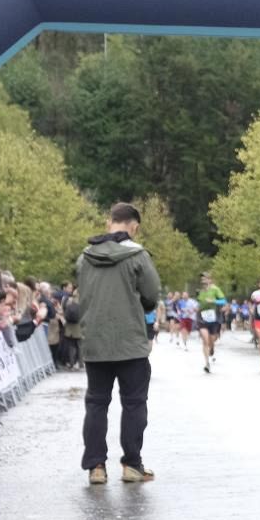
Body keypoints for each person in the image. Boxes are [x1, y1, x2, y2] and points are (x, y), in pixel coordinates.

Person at [77, 202, 162, 485]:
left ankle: (96, 467)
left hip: (95, 342)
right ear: (134, 226)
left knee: (96, 403)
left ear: (108, 222)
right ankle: (131, 465)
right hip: (130, 342)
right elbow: (151, 295)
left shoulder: (84, 257)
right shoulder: (138, 255)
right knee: (134, 403)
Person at [196, 273, 227, 374]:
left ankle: (212, 347)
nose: (203, 281)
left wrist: (214, 301)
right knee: (205, 340)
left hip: (214, 319)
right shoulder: (200, 292)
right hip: (202, 318)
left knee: (211, 340)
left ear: (210, 280)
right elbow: (199, 304)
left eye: (205, 279)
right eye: (202, 280)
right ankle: (207, 363)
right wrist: (197, 308)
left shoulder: (215, 289)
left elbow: (224, 301)